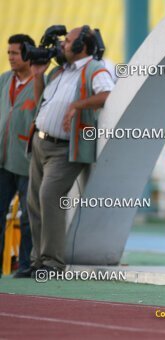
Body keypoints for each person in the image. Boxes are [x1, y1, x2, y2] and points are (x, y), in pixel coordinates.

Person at [23, 26, 114, 276]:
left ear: (81, 46)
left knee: (49, 197)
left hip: (66, 147)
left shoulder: (95, 68)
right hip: (41, 143)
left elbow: (107, 94)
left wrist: (78, 105)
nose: (62, 44)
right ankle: (38, 260)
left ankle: (52, 262)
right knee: (34, 203)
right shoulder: (59, 71)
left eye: (69, 41)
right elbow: (43, 101)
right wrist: (39, 76)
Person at [0, 34, 37, 279]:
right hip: (2, 162)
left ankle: (25, 265)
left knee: (28, 218)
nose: (10, 57)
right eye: (9, 53)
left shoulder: (41, 82)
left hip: (27, 161)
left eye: (14, 53)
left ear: (27, 54)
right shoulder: (4, 80)